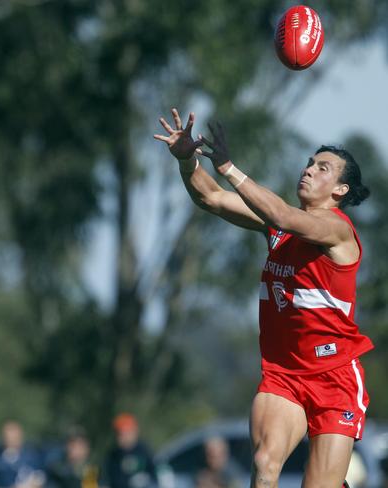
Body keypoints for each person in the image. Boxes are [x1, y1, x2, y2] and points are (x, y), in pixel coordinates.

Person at [154, 108, 374, 488]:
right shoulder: (279, 225)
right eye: (309, 163)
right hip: (284, 374)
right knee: (265, 464)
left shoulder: (336, 230)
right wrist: (187, 159)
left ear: (340, 190)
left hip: (334, 378)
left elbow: (287, 217)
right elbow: (211, 199)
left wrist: (229, 167)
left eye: (323, 168)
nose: (308, 170)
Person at [100, 413, 158, 488]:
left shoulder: (144, 450)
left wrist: (146, 479)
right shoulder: (113, 456)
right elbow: (108, 479)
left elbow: (155, 471)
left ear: (135, 432)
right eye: (121, 434)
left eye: (127, 433)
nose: (124, 437)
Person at [0, 420, 45, 488]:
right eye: (8, 438)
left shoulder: (31, 457)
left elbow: (39, 479)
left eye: (14, 437)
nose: (11, 441)